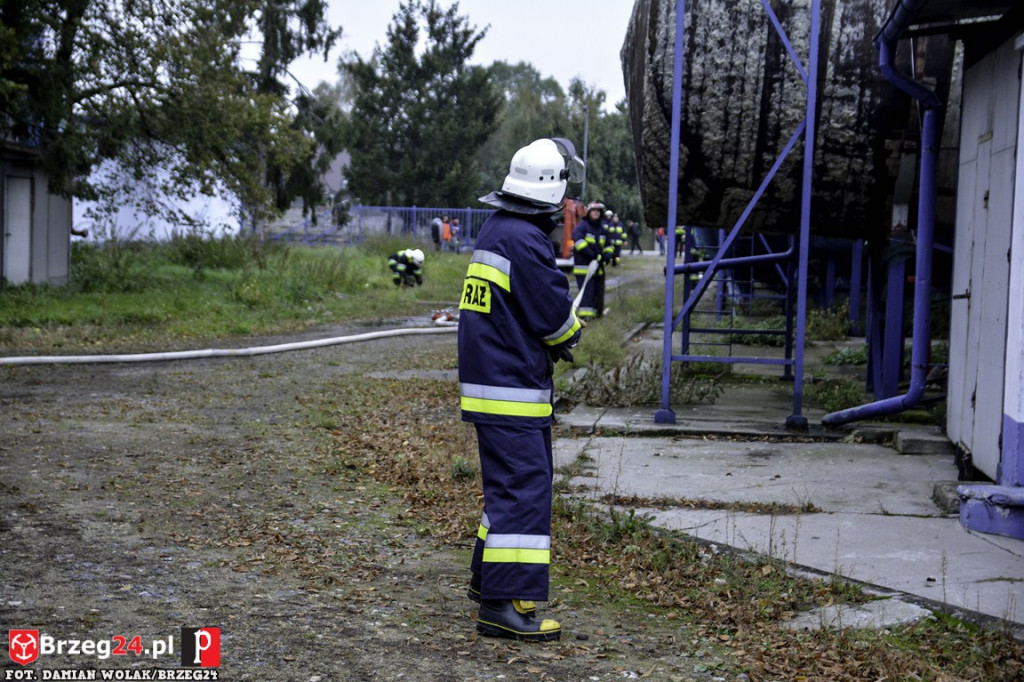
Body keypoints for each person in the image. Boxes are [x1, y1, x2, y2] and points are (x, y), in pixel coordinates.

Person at [458, 137, 585, 642]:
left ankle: (487, 580)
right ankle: (502, 607)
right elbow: (553, 317)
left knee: (507, 489)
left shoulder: (498, 227)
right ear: (552, 192)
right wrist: (571, 333)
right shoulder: (527, 241)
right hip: (510, 387)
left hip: (491, 383)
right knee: (524, 491)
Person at [572, 201, 614, 318]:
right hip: (584, 268)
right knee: (587, 293)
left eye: (598, 211)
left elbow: (609, 245)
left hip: (598, 268)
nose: (596, 213)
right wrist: (592, 255)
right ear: (589, 212)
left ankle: (596, 315)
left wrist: (607, 256)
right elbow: (579, 242)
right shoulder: (582, 227)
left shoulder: (602, 229)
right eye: (594, 210)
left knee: (598, 292)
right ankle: (585, 317)